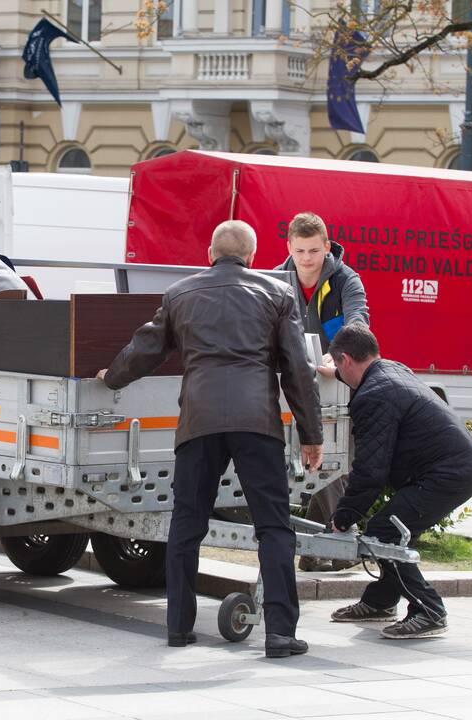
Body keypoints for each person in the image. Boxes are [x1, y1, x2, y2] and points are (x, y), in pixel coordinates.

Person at [97, 220, 324, 658]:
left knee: (187, 523)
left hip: (198, 422)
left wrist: (112, 377)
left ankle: (179, 627)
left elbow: (145, 349)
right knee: (274, 527)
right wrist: (311, 434)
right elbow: (299, 369)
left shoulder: (181, 294)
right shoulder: (277, 294)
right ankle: (279, 634)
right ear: (253, 257)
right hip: (257, 421)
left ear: (209, 254)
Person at [326, 324, 472, 639]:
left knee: (385, 532)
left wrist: (344, 516)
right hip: (455, 467)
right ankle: (380, 602)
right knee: (393, 530)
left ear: (344, 360)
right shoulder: (392, 371)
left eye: (337, 369)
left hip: (447, 473)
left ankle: (429, 611)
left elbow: (370, 469)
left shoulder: (373, 394)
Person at [274, 211, 370, 572]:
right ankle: (323, 547)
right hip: (292, 383)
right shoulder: (275, 279)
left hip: (335, 382)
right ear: (289, 247)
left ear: (327, 247)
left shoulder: (346, 280)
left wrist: (339, 350)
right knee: (326, 463)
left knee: (332, 462)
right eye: (300, 251)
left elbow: (358, 319)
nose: (307, 259)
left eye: (314, 250)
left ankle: (339, 541)